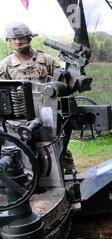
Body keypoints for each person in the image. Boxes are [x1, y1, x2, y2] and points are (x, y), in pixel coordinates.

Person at [0, 21, 75, 173]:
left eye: (21, 37)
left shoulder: (47, 60)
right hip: (19, 115)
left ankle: (67, 173)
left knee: (56, 144)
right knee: (21, 148)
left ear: (29, 38)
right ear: (9, 41)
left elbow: (63, 85)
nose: (17, 42)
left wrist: (56, 87)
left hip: (47, 112)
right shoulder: (5, 65)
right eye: (13, 39)